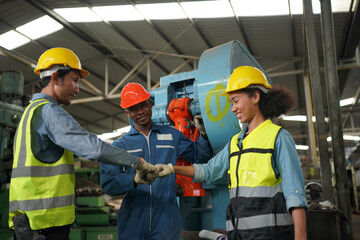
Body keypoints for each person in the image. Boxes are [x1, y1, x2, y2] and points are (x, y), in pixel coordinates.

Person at [8, 48, 157, 240]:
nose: (77, 89)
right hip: (45, 225)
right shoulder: (50, 112)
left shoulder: (29, 112)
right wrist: (138, 163)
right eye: (75, 81)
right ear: (55, 78)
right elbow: (93, 147)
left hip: (26, 223)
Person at [157, 66, 308, 240]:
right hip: (240, 235)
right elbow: (207, 171)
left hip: (271, 235)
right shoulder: (236, 142)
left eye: (236, 101)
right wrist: (171, 169)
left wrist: (301, 236)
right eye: (231, 103)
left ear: (255, 97)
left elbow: (294, 193)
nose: (232, 109)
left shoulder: (278, 138)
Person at [99, 82, 213, 240]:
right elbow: (108, 184)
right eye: (133, 109)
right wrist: (134, 179)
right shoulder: (120, 146)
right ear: (127, 113)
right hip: (133, 220)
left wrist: (204, 133)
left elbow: (199, 156)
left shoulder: (172, 136)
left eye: (143, 105)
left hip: (166, 219)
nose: (140, 112)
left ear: (150, 104)